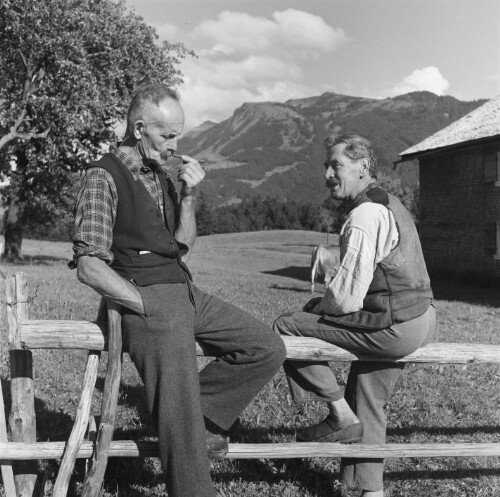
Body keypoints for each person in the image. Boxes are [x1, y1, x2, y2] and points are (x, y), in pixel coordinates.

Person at [70, 84, 286, 497]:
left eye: (178, 135)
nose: (175, 144)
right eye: (168, 135)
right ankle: (183, 431)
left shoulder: (161, 175)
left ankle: (185, 417)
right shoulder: (103, 175)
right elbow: (90, 266)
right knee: (182, 424)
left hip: (184, 290)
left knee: (266, 347)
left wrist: (189, 195)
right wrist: (144, 304)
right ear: (138, 129)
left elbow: (181, 244)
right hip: (144, 296)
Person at [273, 134, 436, 497]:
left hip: (395, 325)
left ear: (363, 168)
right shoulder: (390, 202)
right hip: (422, 318)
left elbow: (346, 298)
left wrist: (316, 307)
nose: (328, 174)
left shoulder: (364, 214)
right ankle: (371, 491)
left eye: (337, 166)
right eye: (327, 167)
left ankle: (337, 413)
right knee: (367, 391)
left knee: (287, 325)